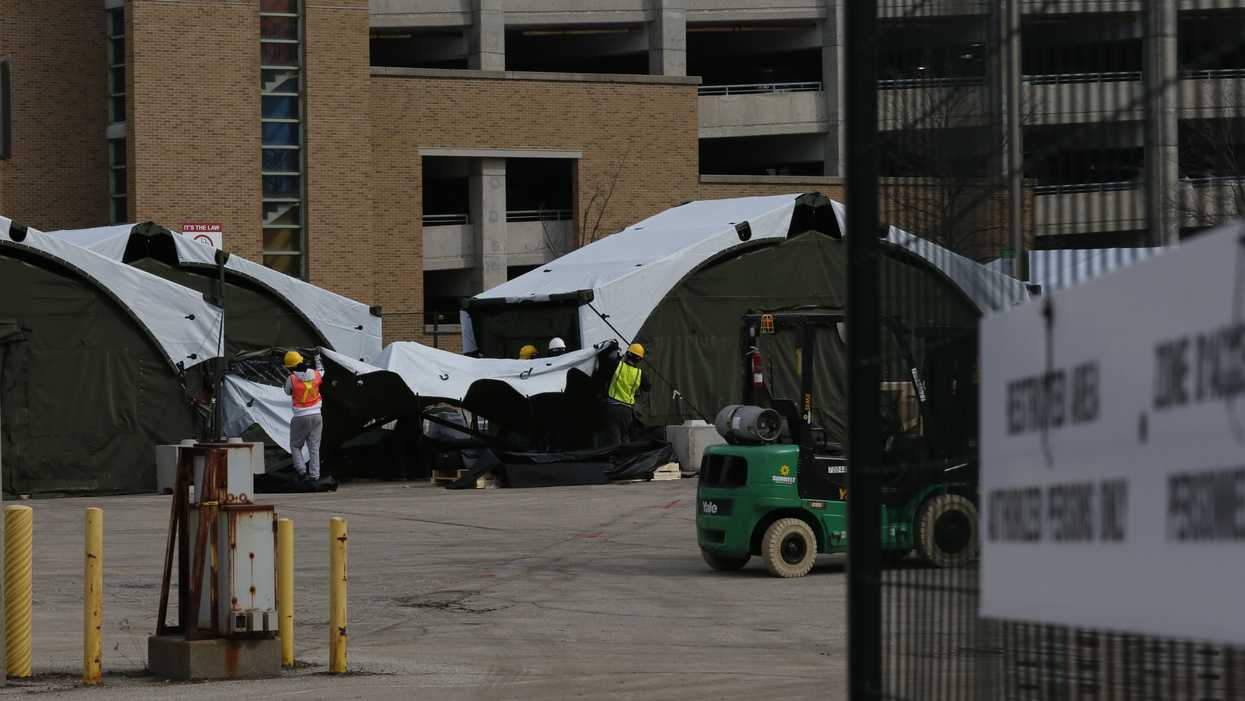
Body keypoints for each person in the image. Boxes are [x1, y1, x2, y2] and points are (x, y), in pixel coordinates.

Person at [283, 350, 325, 482]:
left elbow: (287, 392)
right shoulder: (317, 375)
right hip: (317, 416)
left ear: (290, 367)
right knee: (314, 447)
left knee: (295, 446)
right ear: (301, 361)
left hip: (300, 416)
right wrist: (317, 356)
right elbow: (322, 369)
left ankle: (301, 472)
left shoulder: (291, 378)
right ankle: (315, 476)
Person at [599, 342, 651, 446]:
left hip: (612, 409)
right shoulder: (639, 374)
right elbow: (648, 387)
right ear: (639, 360)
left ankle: (616, 461)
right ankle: (628, 460)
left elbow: (602, 375)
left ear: (627, 354)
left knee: (614, 440)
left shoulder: (616, 365)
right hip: (627, 412)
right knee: (625, 438)